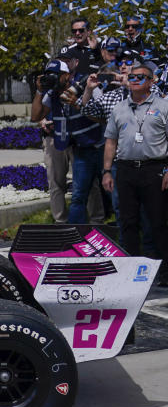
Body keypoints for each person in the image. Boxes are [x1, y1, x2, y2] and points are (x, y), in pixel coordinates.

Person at [102, 63, 168, 268]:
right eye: (132, 77)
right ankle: (131, 270)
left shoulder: (163, 107)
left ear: (151, 81)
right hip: (126, 169)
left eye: (140, 77)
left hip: (154, 168)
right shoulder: (119, 108)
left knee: (158, 222)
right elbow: (111, 141)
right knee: (128, 222)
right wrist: (106, 171)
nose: (135, 81)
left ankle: (164, 270)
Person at [31, 58, 106, 224]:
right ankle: (66, 226)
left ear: (67, 76)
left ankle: (97, 223)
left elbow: (104, 115)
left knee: (91, 186)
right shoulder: (51, 94)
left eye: (55, 75)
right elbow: (35, 116)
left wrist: (77, 103)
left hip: (90, 144)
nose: (52, 78)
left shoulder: (85, 87)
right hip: (66, 141)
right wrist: (39, 91)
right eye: (48, 75)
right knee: (67, 188)